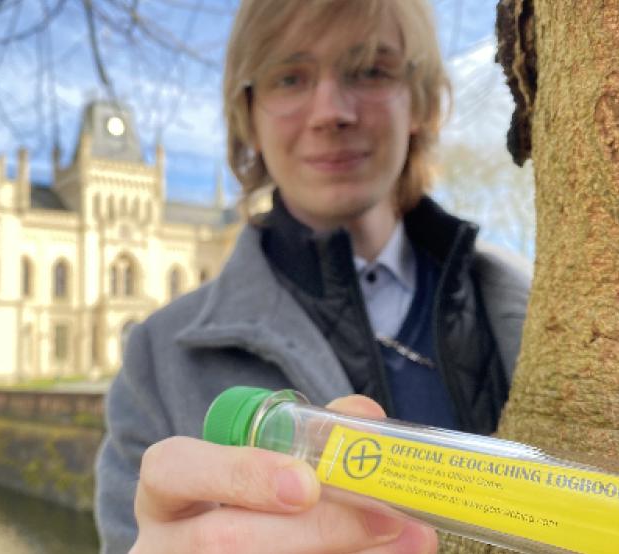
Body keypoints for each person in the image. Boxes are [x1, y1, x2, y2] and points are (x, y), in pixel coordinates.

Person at [95, 0, 532, 552]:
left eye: (371, 68)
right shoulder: (156, 359)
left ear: (419, 100)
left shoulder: (539, 306)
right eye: (290, 77)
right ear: (247, 115)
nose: (330, 110)